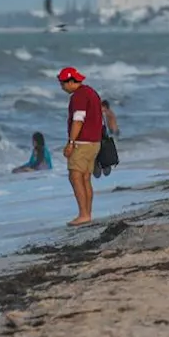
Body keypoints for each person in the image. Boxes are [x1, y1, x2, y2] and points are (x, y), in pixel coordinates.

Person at [57, 67, 104, 227]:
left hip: (83, 143)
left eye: (62, 83)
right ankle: (87, 213)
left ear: (71, 82)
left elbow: (78, 120)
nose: (62, 87)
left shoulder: (79, 96)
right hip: (94, 142)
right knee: (85, 178)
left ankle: (84, 214)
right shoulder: (91, 92)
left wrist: (71, 142)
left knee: (75, 176)